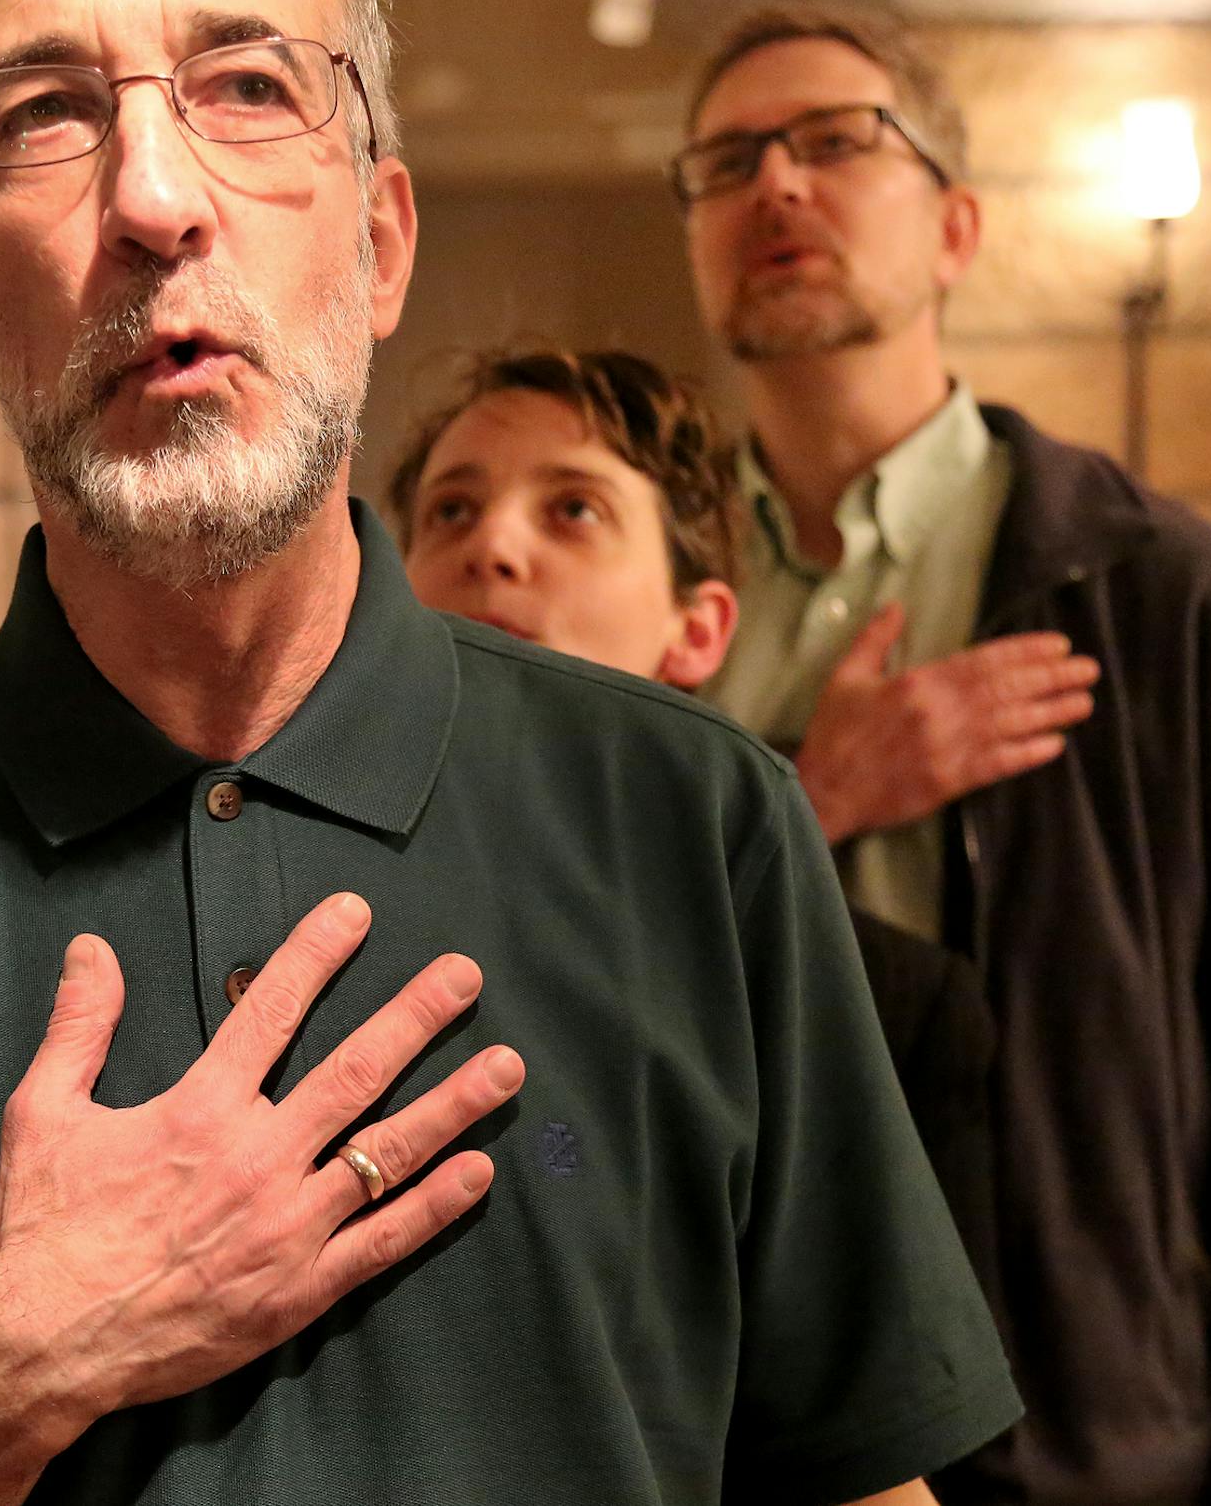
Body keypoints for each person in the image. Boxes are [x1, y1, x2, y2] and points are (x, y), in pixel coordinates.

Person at [0, 3, 1020, 1504]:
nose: (153, 200)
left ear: (383, 242)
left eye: (251, 85)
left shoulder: (700, 821)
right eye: (41, 113)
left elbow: (848, 1468)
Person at [672, 7, 1211, 1505]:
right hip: (725, 1432)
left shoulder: (1158, 594)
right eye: (727, 161)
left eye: (836, 142)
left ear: (956, 229)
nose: (778, 187)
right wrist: (803, 792)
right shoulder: (627, 593)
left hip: (1087, 1430)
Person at [389, 344, 999, 1308]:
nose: (491, 547)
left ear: (700, 630)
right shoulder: (315, 932)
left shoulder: (880, 1013)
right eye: (450, 509)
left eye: (574, 509)